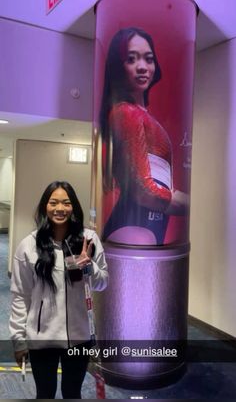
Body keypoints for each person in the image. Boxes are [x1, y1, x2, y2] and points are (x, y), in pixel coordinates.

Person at [9, 181, 108, 399]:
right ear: (45, 206)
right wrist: (19, 339)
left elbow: (102, 283)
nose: (60, 208)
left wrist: (88, 266)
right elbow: (20, 295)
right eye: (53, 202)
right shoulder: (29, 245)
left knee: (73, 392)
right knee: (45, 393)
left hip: (80, 337)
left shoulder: (89, 240)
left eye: (66, 202)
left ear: (74, 207)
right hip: (42, 338)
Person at [100, 27, 189, 245]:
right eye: (131, 59)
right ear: (118, 66)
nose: (142, 67)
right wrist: (192, 204)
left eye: (148, 59)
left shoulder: (138, 114)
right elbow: (144, 191)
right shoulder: (126, 112)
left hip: (142, 226)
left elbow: (152, 183)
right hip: (135, 228)